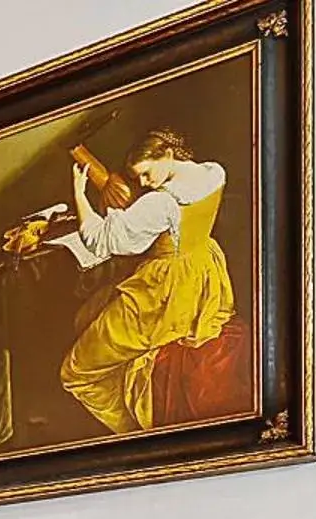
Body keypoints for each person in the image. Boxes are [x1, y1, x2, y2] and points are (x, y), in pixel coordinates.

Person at [58, 129, 241, 435]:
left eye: (145, 173)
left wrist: (79, 192)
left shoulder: (162, 202)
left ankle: (130, 431)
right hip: (203, 272)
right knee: (92, 314)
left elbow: (101, 240)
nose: (142, 183)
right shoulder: (213, 172)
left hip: (164, 291)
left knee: (76, 371)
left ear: (168, 155)